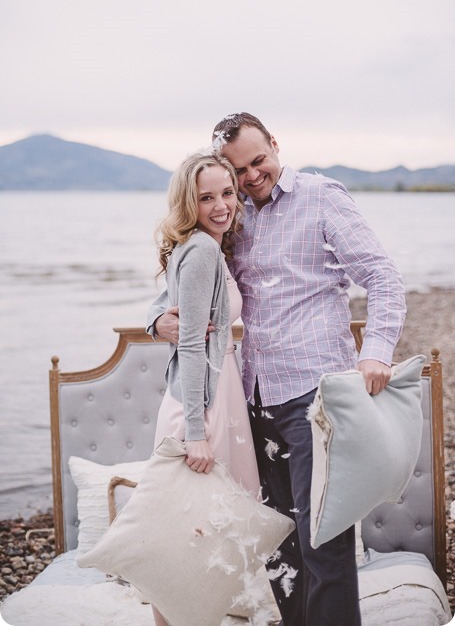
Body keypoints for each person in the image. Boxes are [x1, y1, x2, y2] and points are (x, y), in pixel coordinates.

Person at [149, 114, 407, 626]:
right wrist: (159, 319)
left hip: (317, 400)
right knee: (280, 547)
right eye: (238, 170)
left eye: (258, 160)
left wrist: (376, 349)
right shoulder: (228, 213)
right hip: (254, 401)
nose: (250, 177)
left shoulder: (320, 197)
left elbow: (382, 276)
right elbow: (182, 276)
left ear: (274, 145)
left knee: (323, 543)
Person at [147, 150, 261, 626]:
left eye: (228, 194)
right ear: (187, 202)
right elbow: (192, 346)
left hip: (217, 394)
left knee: (201, 531)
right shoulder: (203, 251)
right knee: (186, 537)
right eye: (206, 197)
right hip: (203, 405)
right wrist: (196, 431)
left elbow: (170, 307)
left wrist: (155, 319)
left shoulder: (205, 245)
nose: (221, 206)